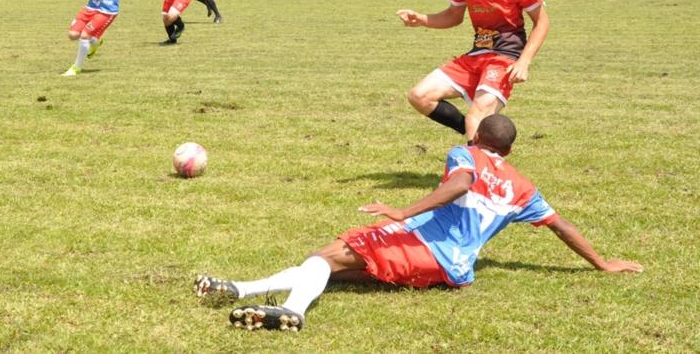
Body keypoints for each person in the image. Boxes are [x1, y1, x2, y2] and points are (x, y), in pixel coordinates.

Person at [194, 115, 643, 332]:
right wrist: (602, 263)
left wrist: (403, 211)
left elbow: (462, 183)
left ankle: (285, 308)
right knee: (337, 272)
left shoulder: (465, 154)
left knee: (326, 254)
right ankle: (239, 288)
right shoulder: (524, 187)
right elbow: (562, 226)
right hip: (454, 272)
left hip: (424, 246)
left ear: (478, 138)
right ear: (508, 151)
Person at [397, 0, 550, 141]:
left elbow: (542, 22)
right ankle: (478, 139)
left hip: (505, 57)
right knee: (419, 96)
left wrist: (524, 61)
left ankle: (476, 166)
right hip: (477, 54)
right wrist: (422, 20)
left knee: (475, 116)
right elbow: (453, 16)